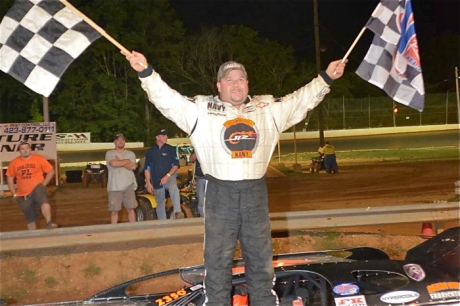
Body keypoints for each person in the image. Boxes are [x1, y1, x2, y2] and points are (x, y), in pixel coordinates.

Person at [125, 50, 346, 305]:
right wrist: (146, 73)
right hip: (219, 194)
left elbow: (301, 100)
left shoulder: (267, 108)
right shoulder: (201, 109)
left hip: (255, 193)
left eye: (240, 78)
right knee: (217, 264)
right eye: (229, 80)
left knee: (261, 263)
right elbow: (167, 99)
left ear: (247, 84)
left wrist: (327, 78)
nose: (235, 83)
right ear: (219, 86)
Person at [6, 141, 57, 230]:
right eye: (22, 149)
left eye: (27, 148)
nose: (25, 150)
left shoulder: (39, 159)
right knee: (30, 218)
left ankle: (49, 222)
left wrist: (43, 184)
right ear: (19, 151)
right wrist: (14, 193)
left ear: (30, 149)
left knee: (44, 202)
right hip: (22, 194)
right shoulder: (14, 163)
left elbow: (51, 171)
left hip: (37, 188)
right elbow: (9, 178)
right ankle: (33, 237)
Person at [144, 128, 184, 220]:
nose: (166, 137)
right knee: (160, 203)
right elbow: (147, 168)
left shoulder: (170, 149)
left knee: (173, 187)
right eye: (163, 135)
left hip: (169, 176)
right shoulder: (151, 151)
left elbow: (175, 165)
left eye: (166, 135)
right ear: (157, 137)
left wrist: (167, 176)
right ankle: (163, 223)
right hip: (156, 179)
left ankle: (177, 212)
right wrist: (148, 183)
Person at [105, 133, 138, 224]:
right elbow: (113, 163)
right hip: (114, 187)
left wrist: (119, 161)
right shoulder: (110, 153)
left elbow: (133, 166)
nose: (120, 141)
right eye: (118, 140)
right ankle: (114, 230)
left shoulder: (130, 154)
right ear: (114, 142)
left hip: (128, 185)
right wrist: (127, 161)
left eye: (122, 139)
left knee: (131, 209)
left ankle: (134, 229)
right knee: (114, 210)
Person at [190, 152, 206, 217]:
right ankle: (202, 216)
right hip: (200, 178)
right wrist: (197, 151)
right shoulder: (197, 147)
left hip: (211, 179)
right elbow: (191, 159)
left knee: (211, 199)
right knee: (201, 199)